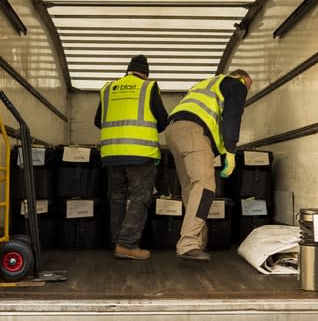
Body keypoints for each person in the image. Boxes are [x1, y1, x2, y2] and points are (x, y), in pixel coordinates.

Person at [164, 69, 253, 262]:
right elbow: (231, 117)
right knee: (205, 186)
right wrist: (230, 150)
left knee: (191, 189)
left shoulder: (206, 84)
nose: (246, 93)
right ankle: (188, 243)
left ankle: (198, 242)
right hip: (193, 130)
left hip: (173, 130)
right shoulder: (236, 84)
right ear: (242, 79)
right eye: (248, 87)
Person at [95, 55, 168, 261]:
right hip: (140, 154)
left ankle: (118, 241)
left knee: (117, 198)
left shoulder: (108, 89)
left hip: (112, 154)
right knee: (139, 198)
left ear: (127, 70)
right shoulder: (148, 88)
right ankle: (127, 244)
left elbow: (97, 121)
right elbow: (162, 120)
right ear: (146, 73)